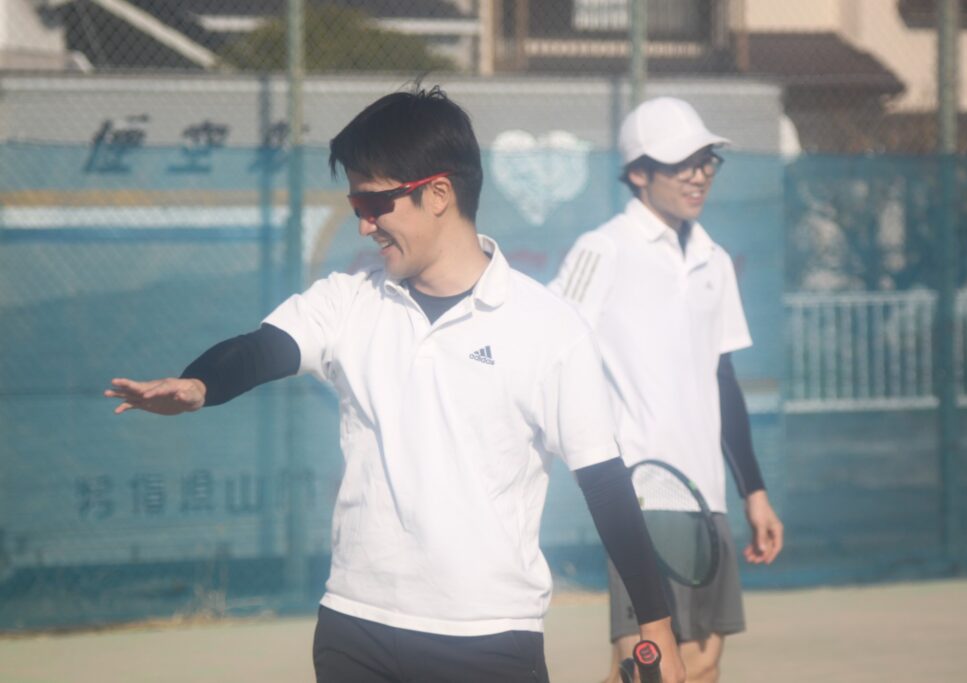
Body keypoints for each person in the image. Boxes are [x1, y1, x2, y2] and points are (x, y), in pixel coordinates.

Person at [104, 87, 685, 683]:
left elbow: (604, 483)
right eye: (355, 203)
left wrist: (657, 626)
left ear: (438, 194)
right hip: (355, 626)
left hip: (490, 636)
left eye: (374, 202)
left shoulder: (549, 328)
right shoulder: (348, 301)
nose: (364, 224)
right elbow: (261, 350)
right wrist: (200, 384)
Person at [549, 97, 785, 683]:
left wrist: (754, 492)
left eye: (706, 161)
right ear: (638, 173)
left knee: (702, 663)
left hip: (706, 495)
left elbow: (723, 380)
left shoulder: (714, 260)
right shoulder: (603, 249)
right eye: (682, 163)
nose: (698, 174)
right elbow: (547, 344)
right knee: (646, 667)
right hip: (642, 493)